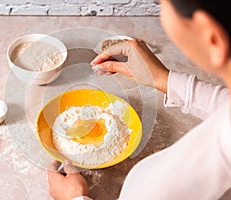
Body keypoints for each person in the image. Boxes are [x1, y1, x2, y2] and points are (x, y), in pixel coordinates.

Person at [47, 0, 231, 199]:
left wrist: (74, 198)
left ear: (211, 38)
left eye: (163, 4)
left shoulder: (182, 180)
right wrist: (164, 79)